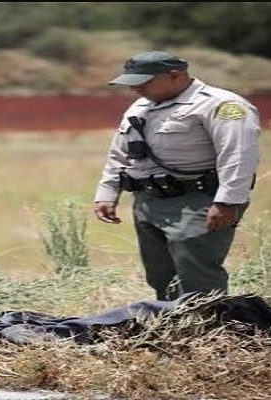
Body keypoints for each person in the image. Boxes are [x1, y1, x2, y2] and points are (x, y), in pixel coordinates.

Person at [93, 50, 261, 300]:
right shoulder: (140, 106)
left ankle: (209, 329)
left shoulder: (221, 105)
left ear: (175, 75)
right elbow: (121, 153)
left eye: (144, 82)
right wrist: (107, 193)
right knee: (161, 275)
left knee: (197, 274)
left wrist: (228, 202)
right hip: (148, 202)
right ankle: (174, 328)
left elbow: (238, 155)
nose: (135, 89)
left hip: (198, 200)